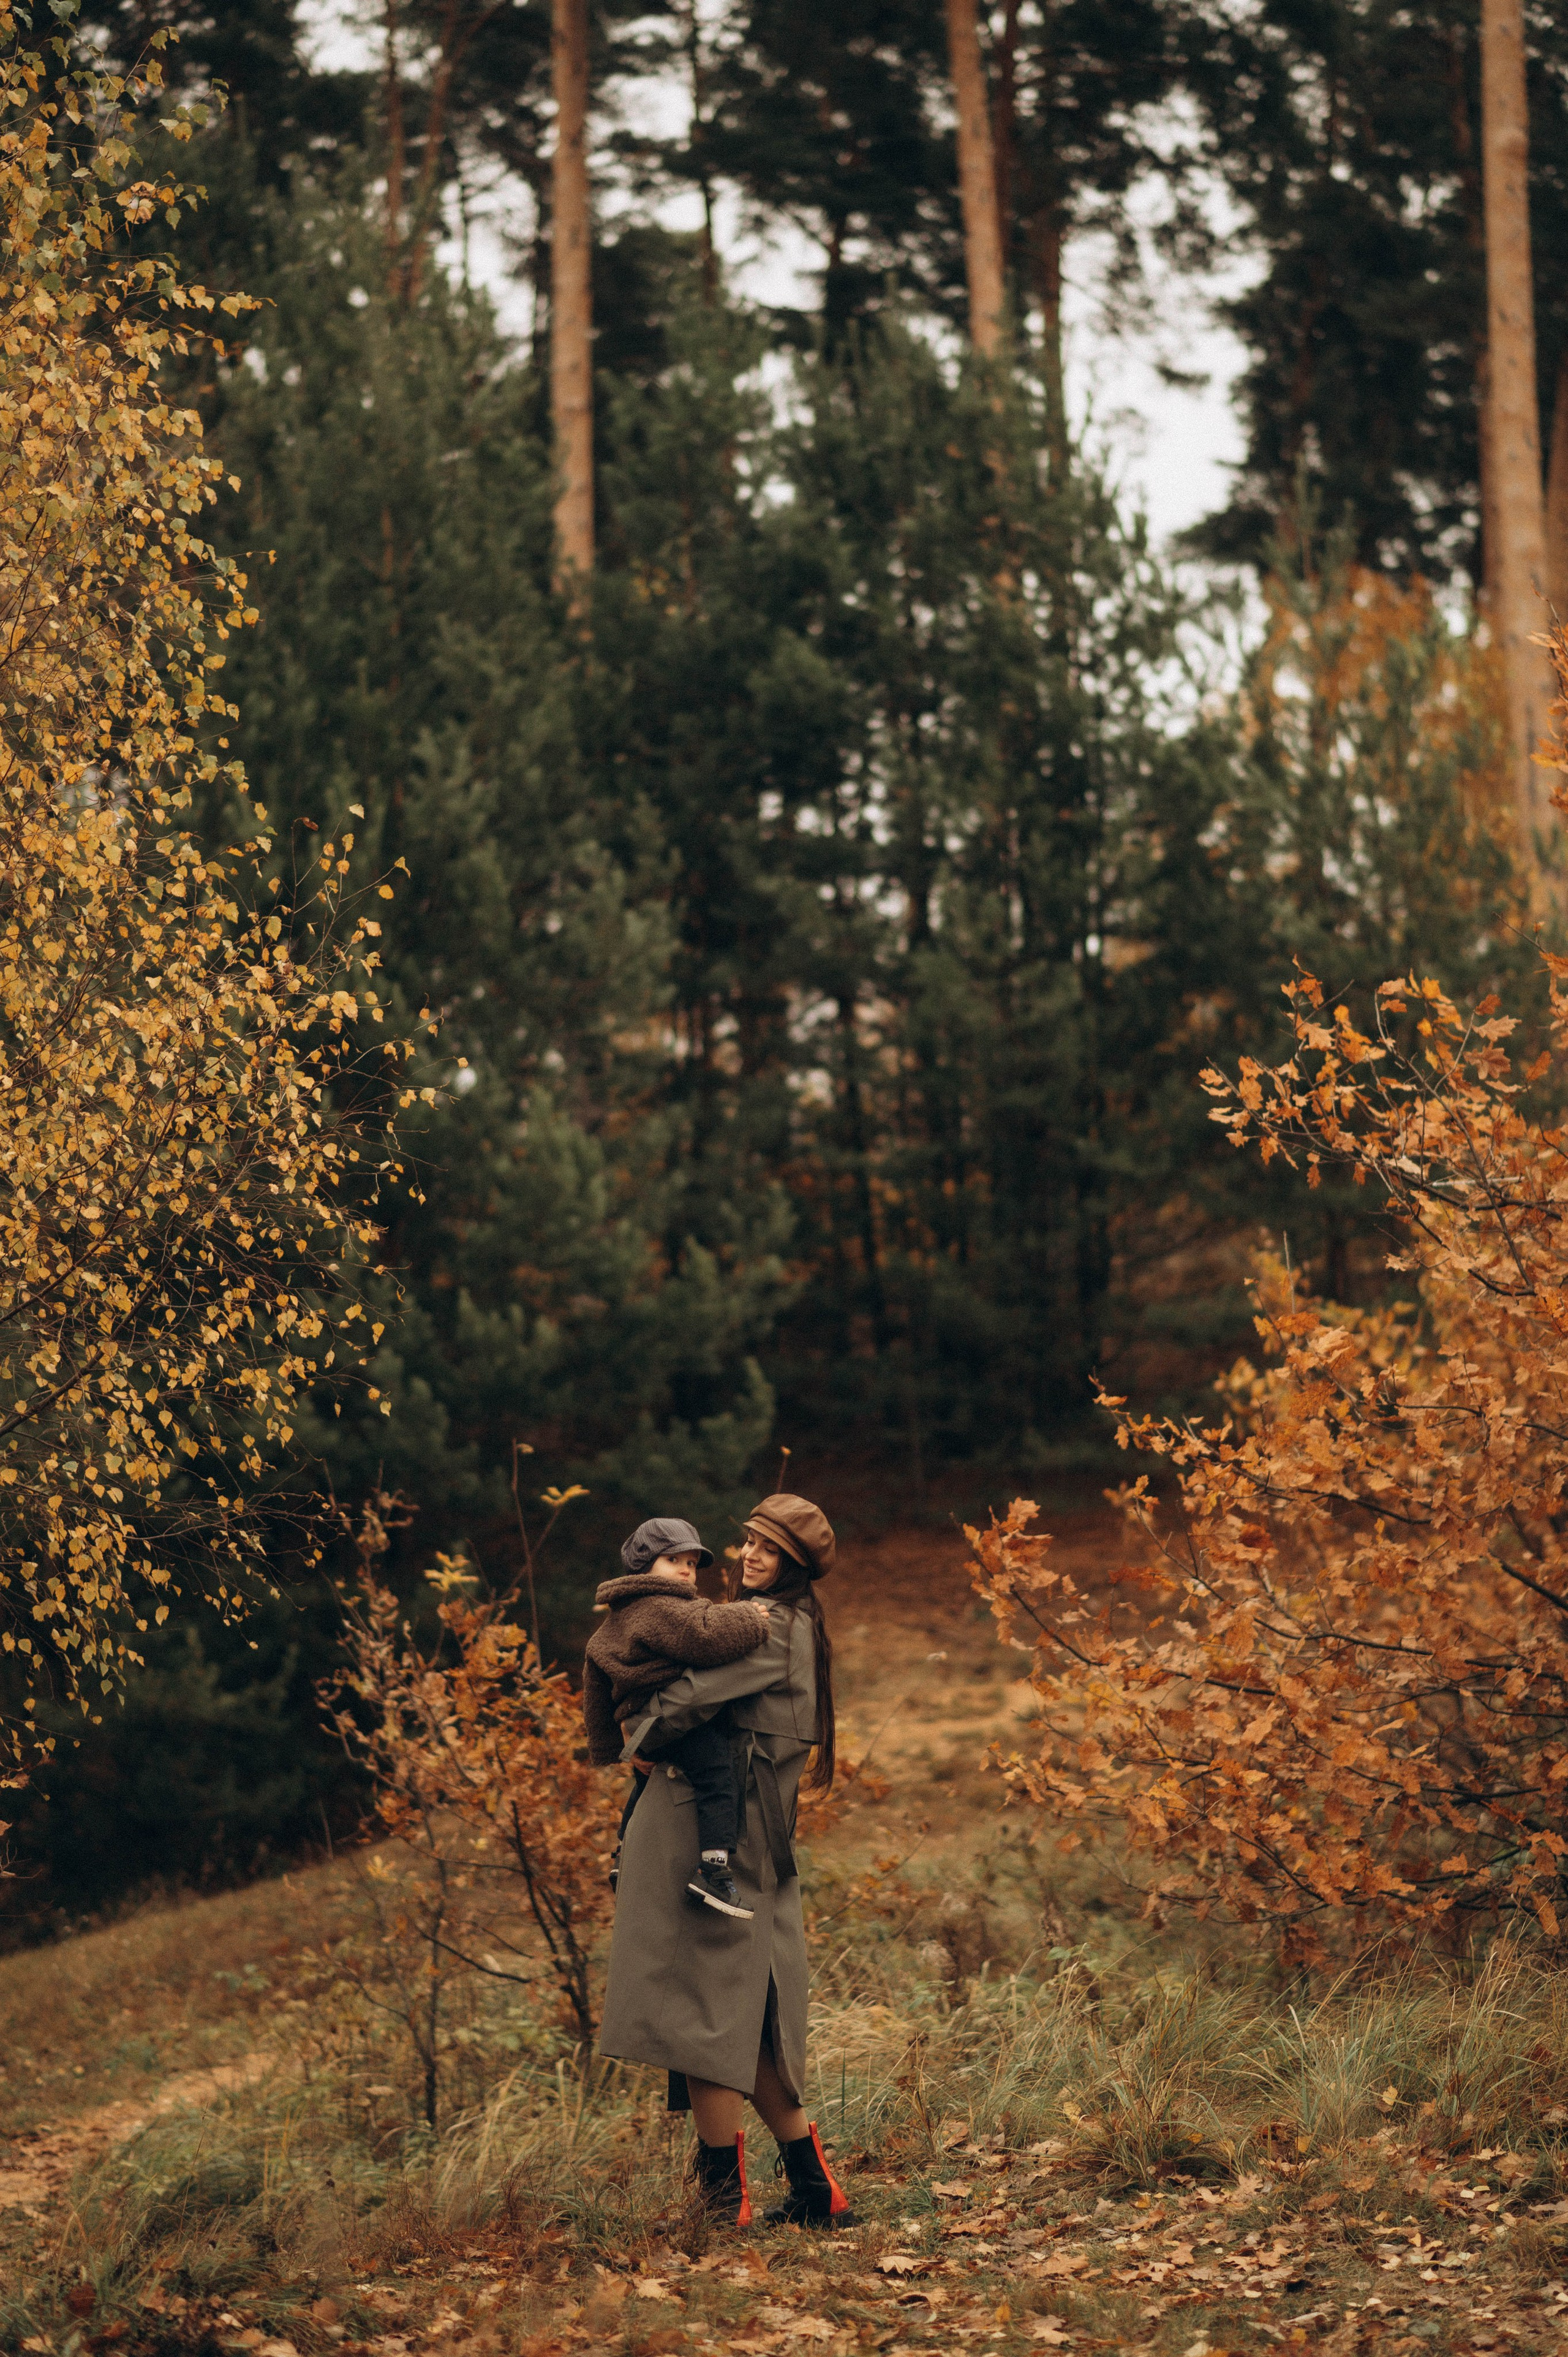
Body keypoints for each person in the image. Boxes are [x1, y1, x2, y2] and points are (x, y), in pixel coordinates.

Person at [597, 1492, 856, 2232]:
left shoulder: (772, 1628)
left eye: (767, 1550)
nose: (748, 1556)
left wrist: (637, 1733)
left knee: (703, 2019)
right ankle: (816, 2190)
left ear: (794, 1566)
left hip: (713, 1840)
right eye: (746, 1541)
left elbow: (684, 1698)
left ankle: (721, 2203)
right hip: (741, 1840)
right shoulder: (779, 1625)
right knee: (745, 2019)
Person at [582, 1515, 771, 1916]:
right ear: (643, 1566)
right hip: (672, 1719)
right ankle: (715, 1871)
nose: (686, 1570)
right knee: (718, 1773)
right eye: (674, 1560)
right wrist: (752, 1618)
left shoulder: (618, 1616)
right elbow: (705, 1634)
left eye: (691, 1562)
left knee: (643, 1786)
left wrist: (616, 1746)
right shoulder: (661, 1607)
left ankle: (624, 1853)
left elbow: (594, 1686)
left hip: (643, 1724)